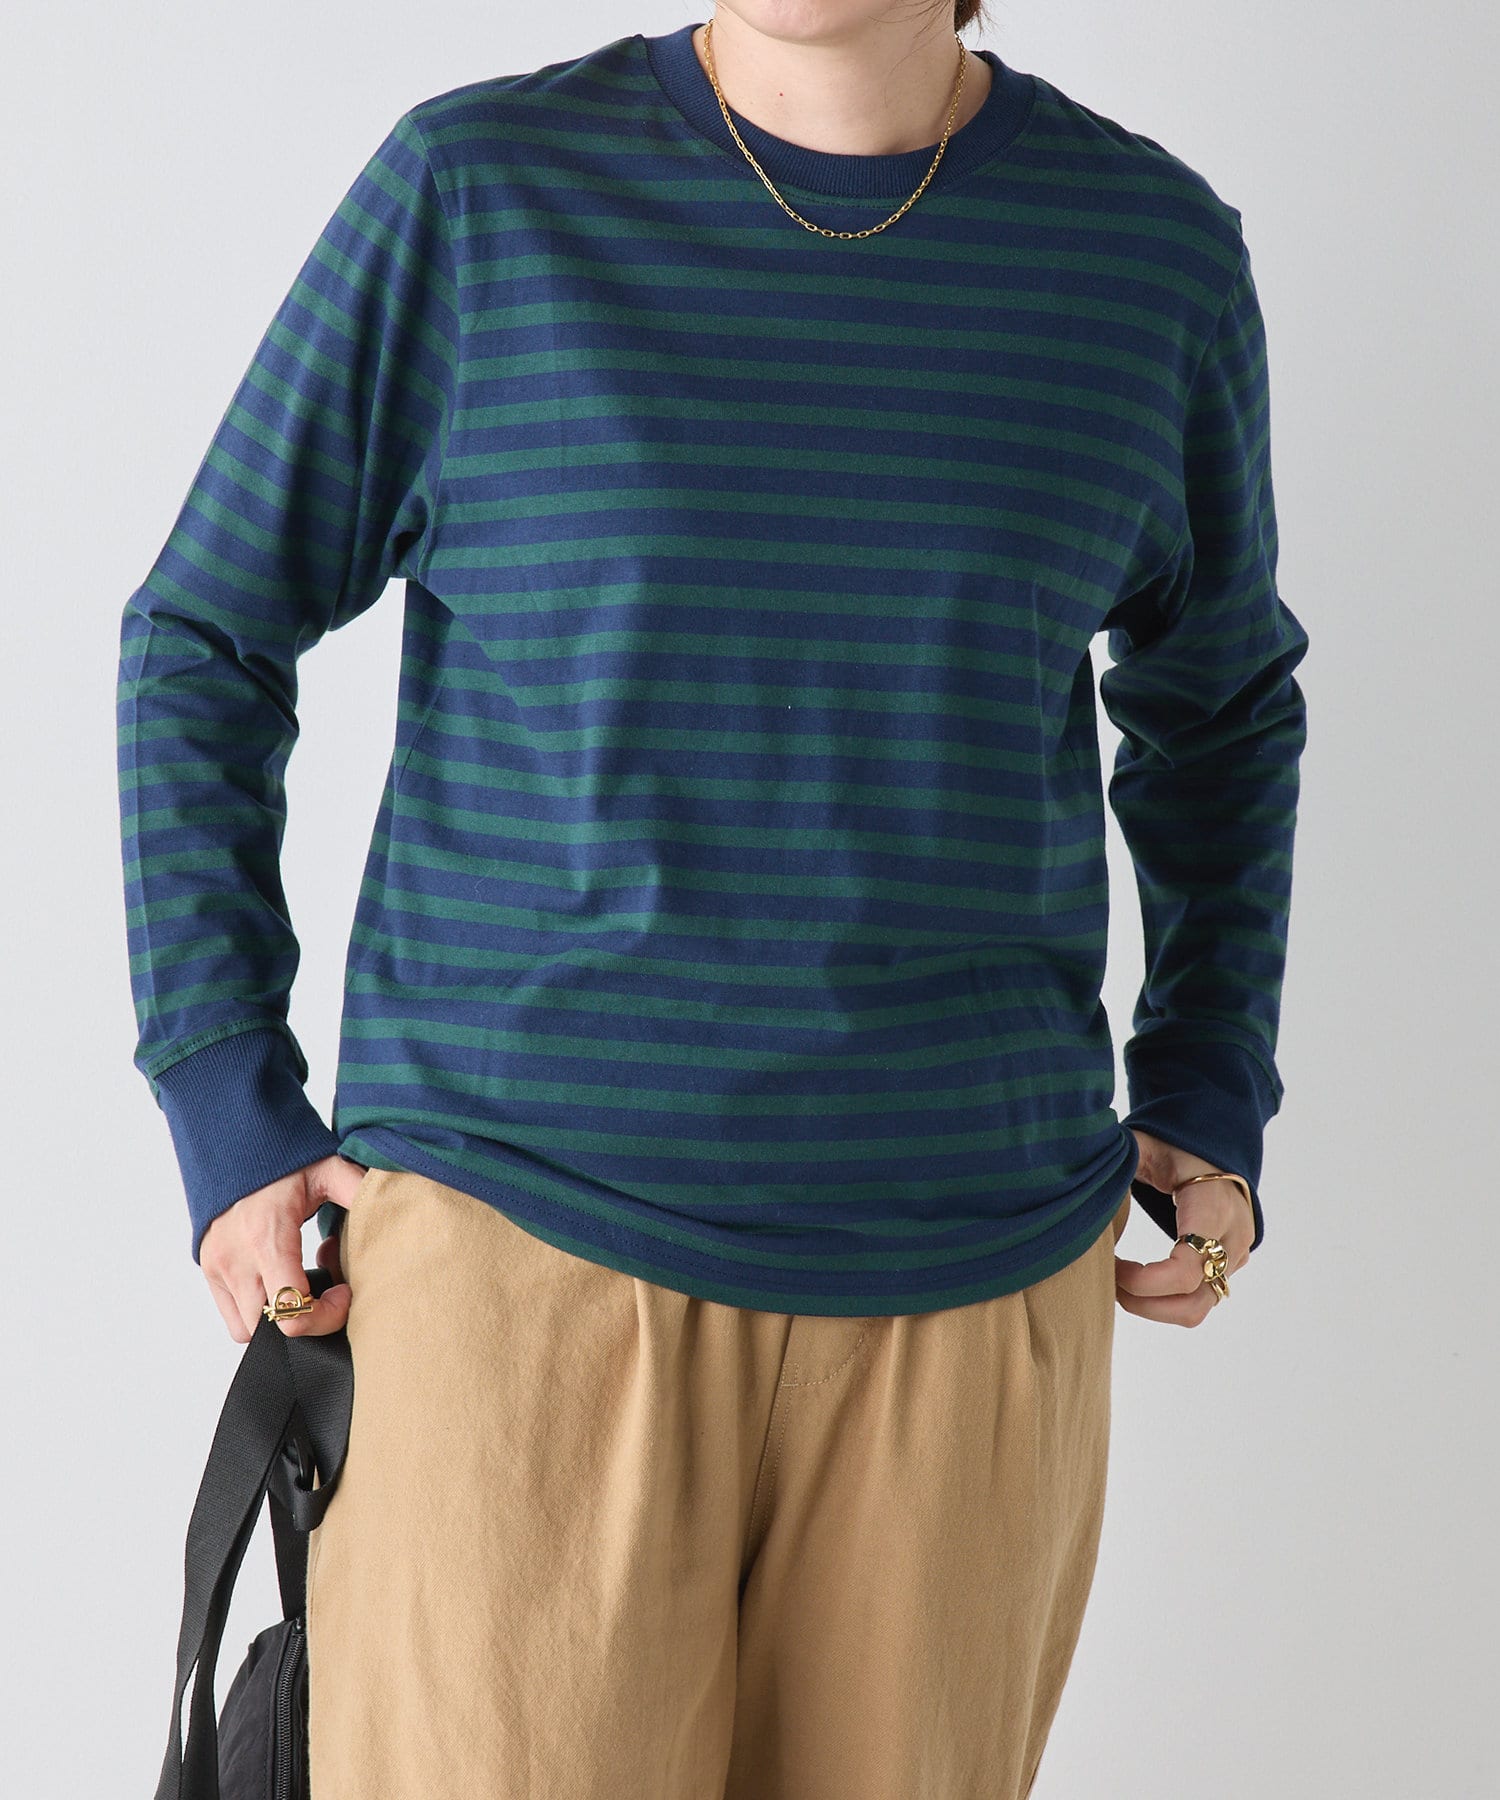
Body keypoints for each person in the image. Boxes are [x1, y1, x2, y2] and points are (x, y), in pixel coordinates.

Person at [115, 4, 1309, 1795]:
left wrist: (1210, 1085)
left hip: (970, 1301)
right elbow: (205, 633)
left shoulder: (1151, 258)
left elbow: (1220, 709)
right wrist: (225, 1100)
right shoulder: (482, 193)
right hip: (522, 1269)